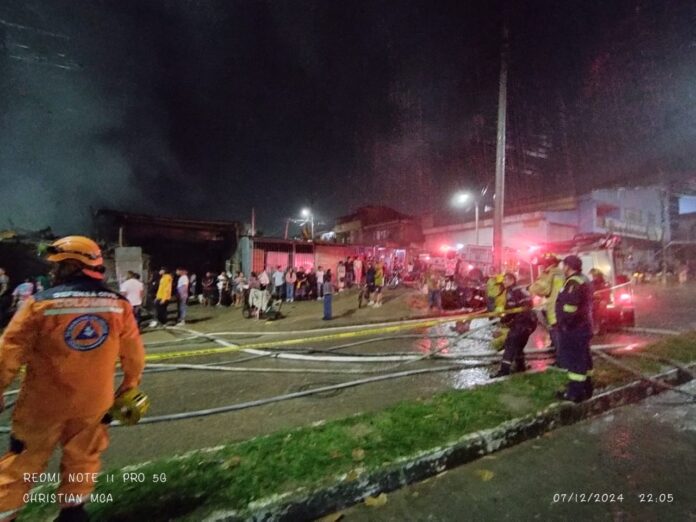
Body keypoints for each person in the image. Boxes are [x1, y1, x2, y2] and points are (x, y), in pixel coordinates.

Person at [0, 235, 145, 521]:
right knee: (83, 458)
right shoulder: (118, 306)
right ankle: (73, 512)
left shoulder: (38, 305)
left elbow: (8, 355)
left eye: (58, 265)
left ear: (71, 266)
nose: (54, 271)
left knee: (21, 461)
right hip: (95, 404)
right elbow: (134, 355)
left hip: (42, 406)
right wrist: (129, 388)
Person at [555, 255, 594, 402]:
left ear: (568, 266)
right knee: (584, 358)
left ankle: (574, 393)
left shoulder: (573, 283)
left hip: (574, 329)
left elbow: (570, 308)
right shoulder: (584, 279)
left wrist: (565, 325)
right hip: (584, 326)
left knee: (575, 360)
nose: (562, 268)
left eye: (563, 265)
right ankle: (586, 387)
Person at [490, 272, 538, 378]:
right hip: (531, 321)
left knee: (510, 345)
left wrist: (504, 320)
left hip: (521, 322)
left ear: (512, 280)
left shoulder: (511, 292)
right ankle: (520, 367)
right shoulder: (522, 289)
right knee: (519, 346)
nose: (504, 282)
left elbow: (511, 310)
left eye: (506, 280)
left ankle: (504, 371)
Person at [529, 253, 564, 354]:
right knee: (556, 328)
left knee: (553, 328)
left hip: (552, 305)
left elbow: (544, 289)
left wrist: (530, 288)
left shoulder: (549, 273)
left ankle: (559, 355)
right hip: (559, 304)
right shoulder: (560, 273)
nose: (543, 265)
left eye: (544, 262)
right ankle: (555, 347)